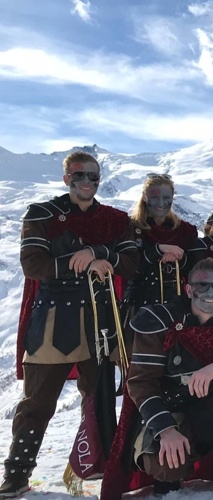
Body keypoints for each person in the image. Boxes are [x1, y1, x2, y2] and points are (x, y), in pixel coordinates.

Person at [4, 151, 138, 496]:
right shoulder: (42, 214)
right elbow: (34, 265)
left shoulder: (114, 219)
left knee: (98, 401)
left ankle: (93, 468)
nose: (87, 183)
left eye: (93, 177)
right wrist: (81, 261)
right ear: (67, 178)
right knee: (37, 403)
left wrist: (98, 252)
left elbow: (133, 261)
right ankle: (17, 475)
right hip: (52, 319)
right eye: (80, 176)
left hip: (101, 321)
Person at [106, 258, 213, 496]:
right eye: (202, 286)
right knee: (167, 468)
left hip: (212, 405)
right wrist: (165, 430)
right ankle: (170, 468)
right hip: (171, 410)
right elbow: (141, 384)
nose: (210, 293)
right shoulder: (160, 321)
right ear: (189, 289)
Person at [123, 174, 198, 336]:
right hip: (138, 302)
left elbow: (194, 269)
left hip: (175, 304)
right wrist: (158, 250)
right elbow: (127, 267)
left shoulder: (185, 231)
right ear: (144, 197)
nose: (161, 203)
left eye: (166, 197)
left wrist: (180, 259)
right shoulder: (129, 228)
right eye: (155, 197)